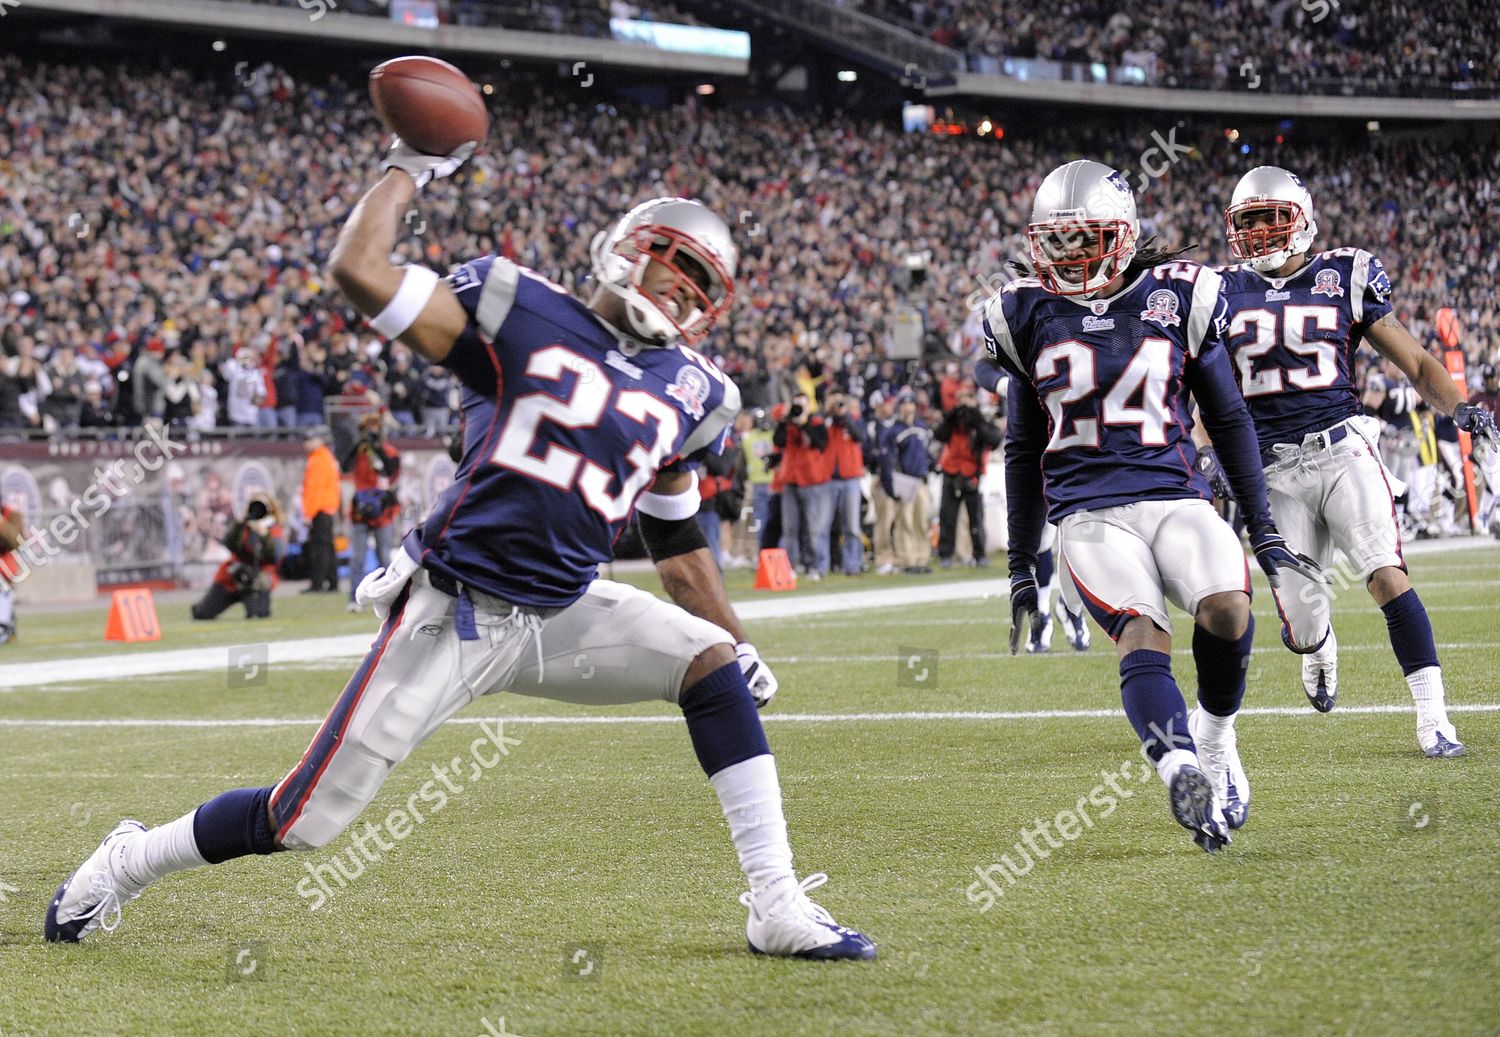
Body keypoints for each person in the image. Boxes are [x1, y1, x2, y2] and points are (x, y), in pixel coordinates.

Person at [46, 142, 872, 962]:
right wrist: (411, 164)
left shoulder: (693, 390)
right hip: (456, 610)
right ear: (629, 249)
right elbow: (360, 270)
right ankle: (126, 858)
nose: (682, 292)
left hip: (563, 610)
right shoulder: (517, 303)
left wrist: (741, 636)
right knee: (302, 819)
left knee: (708, 661)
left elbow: (678, 538)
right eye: (675, 266)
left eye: (702, 287)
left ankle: (776, 903)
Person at [986, 160, 1318, 853]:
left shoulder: (1180, 295)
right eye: (1060, 240)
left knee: (1228, 607)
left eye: (1088, 238)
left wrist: (1262, 528)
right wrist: (1023, 563)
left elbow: (1228, 419)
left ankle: (1216, 742)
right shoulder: (1024, 312)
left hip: (1174, 494)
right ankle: (1181, 770)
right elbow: (1022, 446)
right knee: (1142, 632)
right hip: (1088, 513)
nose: (1073, 255)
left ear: (1125, 234)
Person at [1214, 165, 1497, 755]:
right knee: (1303, 622)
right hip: (1268, 470)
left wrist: (1460, 408)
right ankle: (1319, 648)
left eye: (1273, 218)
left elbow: (1417, 364)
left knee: (1387, 575)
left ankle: (1433, 718)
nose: (1262, 233)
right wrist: (1210, 450)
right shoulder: (1217, 291)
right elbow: (1201, 385)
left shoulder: (1343, 273)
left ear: (1302, 218)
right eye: (1250, 222)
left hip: (1342, 449)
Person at [932, 384, 1001, 568]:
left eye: (968, 398)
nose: (964, 403)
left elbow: (994, 439)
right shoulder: (952, 419)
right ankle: (946, 554)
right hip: (952, 471)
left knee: (976, 518)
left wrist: (975, 418)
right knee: (947, 516)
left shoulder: (981, 419)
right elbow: (939, 434)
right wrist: (954, 415)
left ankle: (980, 554)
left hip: (972, 473)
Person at [342, 411, 402, 611]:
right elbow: (344, 466)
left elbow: (391, 471)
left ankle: (389, 597)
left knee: (384, 555)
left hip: (382, 508)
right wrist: (358, 446)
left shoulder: (389, 451)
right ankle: (354, 599)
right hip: (360, 507)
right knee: (357, 556)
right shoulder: (358, 453)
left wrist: (377, 448)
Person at [190, 496, 283, 620]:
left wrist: (264, 535)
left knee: (258, 614)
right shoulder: (242, 525)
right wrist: (240, 523)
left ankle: (259, 605)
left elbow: (274, 557)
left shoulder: (273, 528)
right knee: (201, 613)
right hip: (233, 578)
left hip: (256, 581)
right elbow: (229, 544)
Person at [773, 392, 833, 580]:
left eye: (802, 405)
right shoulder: (788, 425)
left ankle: (816, 566)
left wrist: (803, 423)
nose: (799, 409)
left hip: (813, 482)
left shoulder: (817, 423)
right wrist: (784, 421)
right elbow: (777, 441)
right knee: (790, 528)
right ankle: (791, 566)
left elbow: (821, 443)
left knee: (814, 528)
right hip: (791, 481)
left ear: (809, 407)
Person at [879, 395, 933, 573]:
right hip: (905, 480)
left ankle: (921, 558)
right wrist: (891, 484)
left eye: (910, 403)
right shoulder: (893, 430)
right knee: (905, 521)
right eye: (904, 404)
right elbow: (887, 459)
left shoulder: (921, 427)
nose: (908, 408)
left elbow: (926, 452)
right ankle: (906, 559)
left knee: (921, 521)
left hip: (921, 479)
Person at [822, 389, 868, 575]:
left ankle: (853, 565)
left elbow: (860, 436)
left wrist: (845, 416)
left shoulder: (854, 419)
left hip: (850, 479)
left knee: (852, 526)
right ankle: (822, 567)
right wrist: (828, 413)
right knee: (823, 526)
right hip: (828, 479)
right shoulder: (824, 421)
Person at [300, 427, 341, 593]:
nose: (306, 443)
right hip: (328, 508)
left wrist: (308, 513)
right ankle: (332, 582)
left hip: (320, 509)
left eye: (309, 440)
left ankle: (318, 583)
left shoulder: (317, 460)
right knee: (328, 547)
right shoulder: (327, 457)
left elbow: (314, 489)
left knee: (319, 549)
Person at [864, 391, 900, 574]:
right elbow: (867, 452)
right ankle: (883, 558)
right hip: (880, 476)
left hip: (899, 476)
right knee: (884, 521)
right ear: (878, 405)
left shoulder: (895, 423)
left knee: (901, 519)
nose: (891, 406)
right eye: (887, 403)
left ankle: (900, 556)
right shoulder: (872, 426)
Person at [0, 504, 23, 643]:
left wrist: (3, 525)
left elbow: (17, 542)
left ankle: (6, 625)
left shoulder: (13, 515)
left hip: (4, 565)